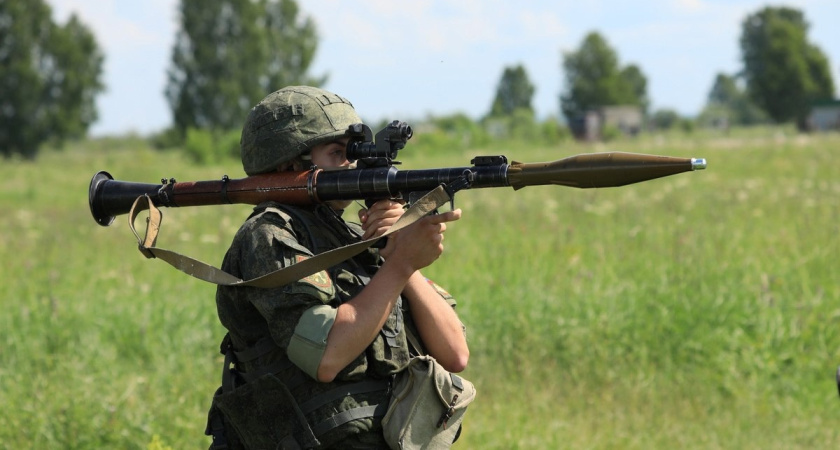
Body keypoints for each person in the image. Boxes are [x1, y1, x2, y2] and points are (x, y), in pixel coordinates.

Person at [205, 86, 469, 449]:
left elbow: (455, 353)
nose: (353, 164)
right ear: (289, 167)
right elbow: (327, 356)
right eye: (338, 153)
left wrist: (400, 255)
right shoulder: (268, 235)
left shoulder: (349, 235)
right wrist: (400, 263)